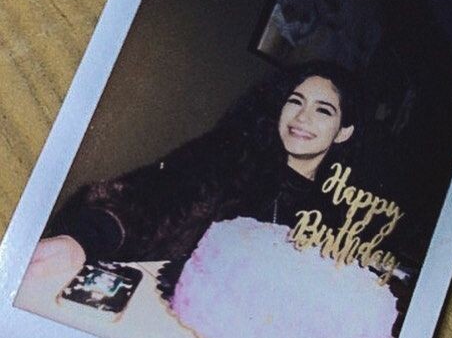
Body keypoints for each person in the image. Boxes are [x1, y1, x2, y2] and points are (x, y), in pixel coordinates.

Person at [26, 60, 361, 285]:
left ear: (343, 131)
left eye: (323, 110)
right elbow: (148, 197)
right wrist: (82, 241)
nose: (302, 117)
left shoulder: (336, 214)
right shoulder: (231, 157)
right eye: (295, 101)